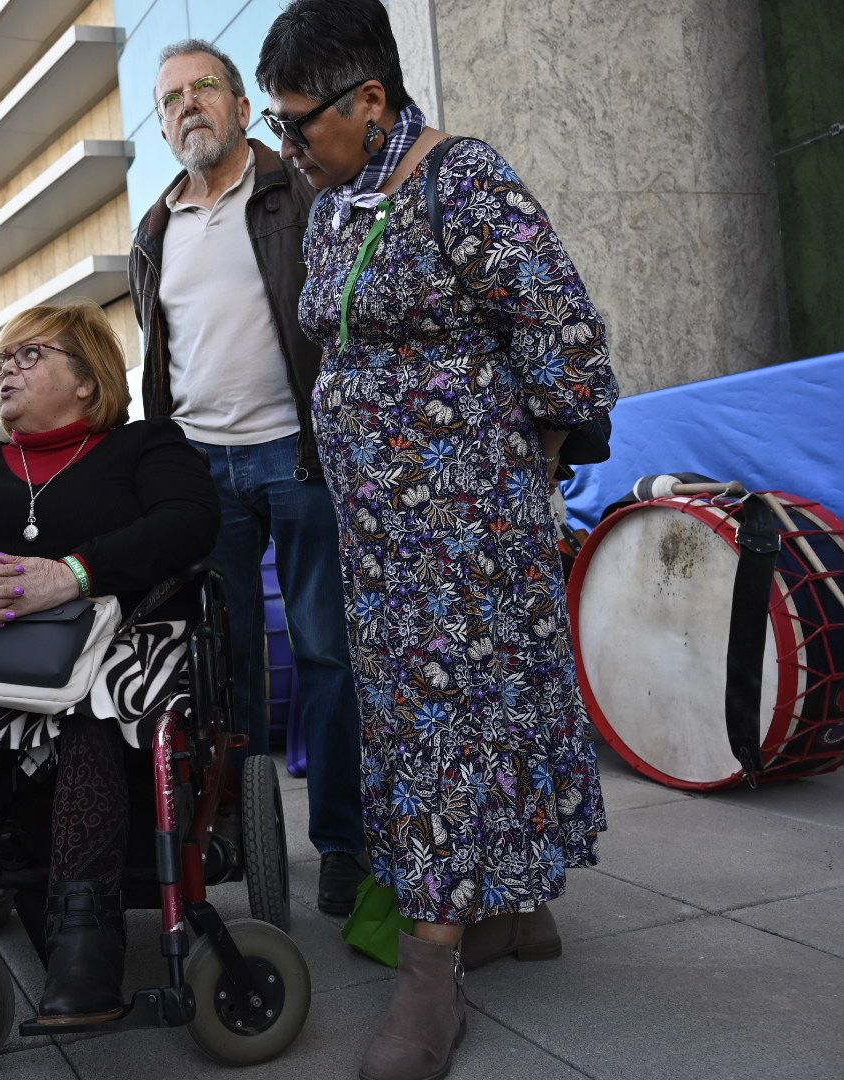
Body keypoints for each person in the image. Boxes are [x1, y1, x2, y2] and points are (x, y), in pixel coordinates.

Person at [257, 3, 618, 1076]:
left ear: (371, 102)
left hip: (468, 527)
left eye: (298, 124)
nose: (289, 149)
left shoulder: (461, 177)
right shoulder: (333, 208)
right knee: (431, 717)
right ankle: (512, 910)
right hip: (375, 530)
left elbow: (564, 340)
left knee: (446, 725)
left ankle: (433, 964)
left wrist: (503, 473)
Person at [0, 299, 220, 1037]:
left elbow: (189, 522)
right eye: (1, 361)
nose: (6, 373)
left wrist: (75, 574)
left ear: (89, 378)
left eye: (29, 356)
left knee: (95, 701)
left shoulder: (146, 447)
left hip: (113, 646)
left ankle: (85, 953)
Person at [129, 37, 367, 916]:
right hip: (202, 472)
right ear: (162, 125)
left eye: (204, 89)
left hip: (298, 456)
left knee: (326, 657)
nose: (188, 105)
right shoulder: (154, 230)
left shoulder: (296, 189)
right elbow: (161, 356)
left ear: (238, 105)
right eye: (171, 99)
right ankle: (237, 829)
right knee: (224, 668)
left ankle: (343, 843)